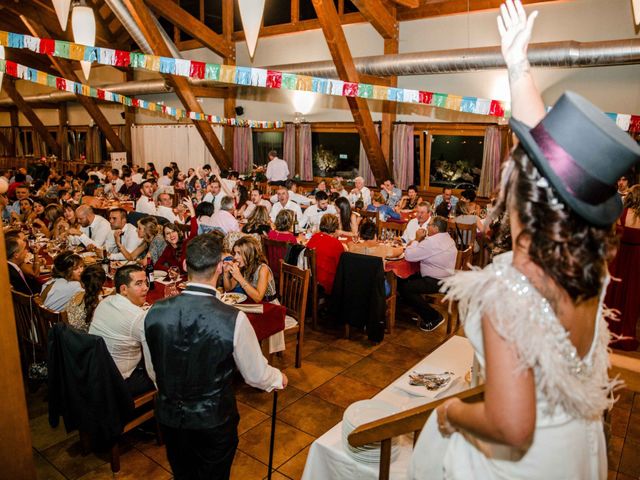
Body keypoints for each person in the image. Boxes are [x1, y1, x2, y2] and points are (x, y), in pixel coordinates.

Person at [408, 2, 639, 479]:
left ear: (521, 195)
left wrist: (449, 413)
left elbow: (512, 427)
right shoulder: (587, 264)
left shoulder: (510, 287)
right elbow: (559, 169)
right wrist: (518, 67)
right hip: (574, 444)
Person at [143, 233, 286, 480]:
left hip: (169, 416)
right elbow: (255, 375)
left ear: (186, 265)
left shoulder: (153, 312)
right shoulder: (234, 318)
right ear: (220, 267)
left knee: (183, 473)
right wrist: (277, 378)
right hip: (213, 419)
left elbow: (154, 368)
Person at [90, 264, 155, 397]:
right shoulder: (137, 318)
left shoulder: (105, 301)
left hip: (94, 373)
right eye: (139, 284)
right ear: (124, 289)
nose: (146, 288)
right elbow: (155, 351)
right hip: (118, 383)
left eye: (146, 282)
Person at [400, 216, 457, 331]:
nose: (427, 226)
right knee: (403, 277)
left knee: (406, 288)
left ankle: (433, 317)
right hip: (448, 277)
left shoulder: (432, 242)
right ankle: (416, 310)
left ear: (435, 228)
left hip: (437, 281)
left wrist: (417, 239)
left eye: (429, 225)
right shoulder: (448, 238)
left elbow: (409, 255)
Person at [606, 184, 640, 350]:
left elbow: (612, 235)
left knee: (615, 294)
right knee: (631, 297)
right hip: (637, 261)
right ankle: (626, 335)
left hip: (619, 258)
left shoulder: (621, 214)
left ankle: (609, 331)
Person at [306, 214, 346, 294]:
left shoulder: (314, 237)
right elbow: (341, 266)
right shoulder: (336, 244)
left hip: (310, 279)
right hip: (326, 283)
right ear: (335, 228)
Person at [65, 264, 106, 332]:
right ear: (104, 283)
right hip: (85, 340)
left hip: (69, 336)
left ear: (82, 283)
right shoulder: (99, 302)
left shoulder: (76, 295)